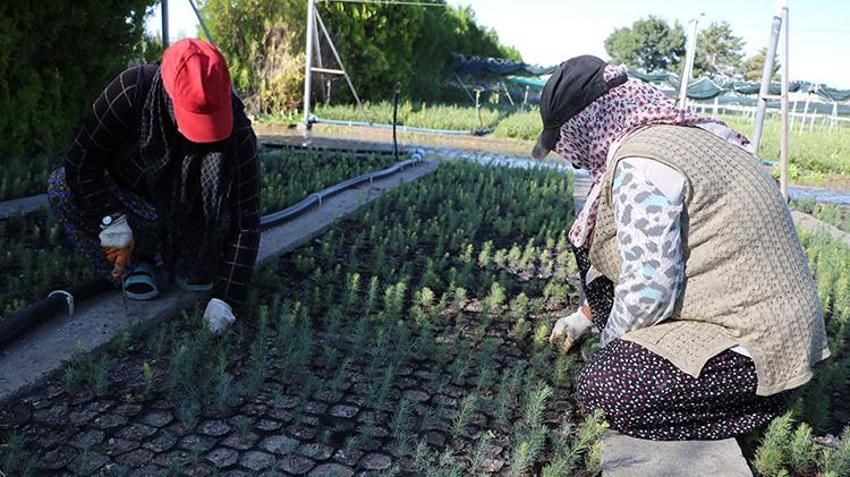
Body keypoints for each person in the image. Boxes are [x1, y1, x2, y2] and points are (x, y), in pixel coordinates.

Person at [539, 55, 830, 441]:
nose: (567, 155)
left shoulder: (641, 165)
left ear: (584, 124)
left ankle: (762, 406)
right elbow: (634, 260)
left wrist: (611, 351)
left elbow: (648, 291)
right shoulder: (681, 132)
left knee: (604, 388)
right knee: (596, 242)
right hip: (770, 322)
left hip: (756, 345)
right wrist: (585, 317)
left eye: (563, 141)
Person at [47, 38, 259, 335]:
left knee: (199, 275)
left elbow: (246, 220)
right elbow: (81, 165)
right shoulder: (131, 91)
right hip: (137, 213)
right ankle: (135, 266)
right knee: (60, 187)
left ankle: (191, 264)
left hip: (194, 222)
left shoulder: (237, 127)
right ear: (168, 95)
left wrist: (227, 298)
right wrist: (111, 219)